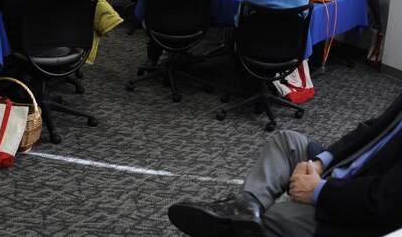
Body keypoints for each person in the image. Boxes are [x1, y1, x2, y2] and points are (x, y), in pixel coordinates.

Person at [168, 89, 402, 237]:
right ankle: (246, 207)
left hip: (355, 208)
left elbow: (384, 201)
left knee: (273, 219)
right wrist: (320, 162)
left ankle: (240, 224)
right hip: (345, 172)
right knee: (288, 141)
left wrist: (318, 191)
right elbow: (371, 127)